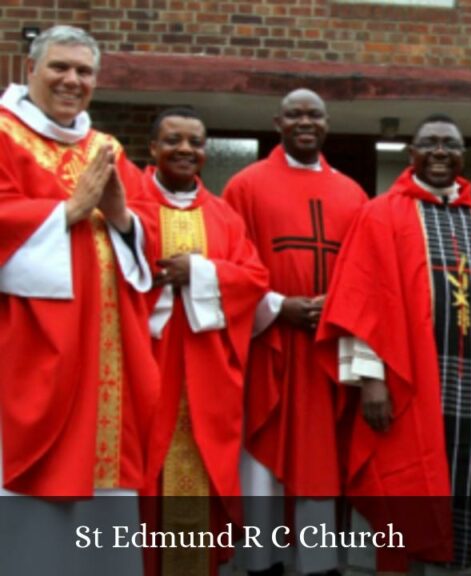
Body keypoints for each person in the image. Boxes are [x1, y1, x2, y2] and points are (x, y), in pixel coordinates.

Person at [317, 113, 471, 575]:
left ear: (463, 157)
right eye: (430, 143)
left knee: (464, 485)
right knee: (404, 482)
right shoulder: (382, 214)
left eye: (450, 144)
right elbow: (362, 299)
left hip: (468, 388)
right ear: (412, 154)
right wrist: (371, 381)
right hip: (408, 383)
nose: (440, 152)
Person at [0, 24, 160, 575]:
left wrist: (119, 217)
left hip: (107, 359)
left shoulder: (107, 148)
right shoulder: (2, 135)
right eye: (59, 67)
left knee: (106, 496)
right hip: (29, 354)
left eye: (84, 71)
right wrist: (66, 212)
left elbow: (149, 240)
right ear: (30, 71)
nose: (72, 80)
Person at [222, 88, 368, 576]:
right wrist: (277, 306)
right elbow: (229, 263)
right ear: (277, 123)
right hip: (270, 346)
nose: (305, 122)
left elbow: (368, 273)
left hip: (327, 351)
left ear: (327, 124)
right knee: (263, 463)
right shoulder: (245, 186)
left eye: (314, 115)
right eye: (294, 115)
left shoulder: (352, 193)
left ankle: (319, 564)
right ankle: (263, 563)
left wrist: (337, 309)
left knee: (321, 458)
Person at [133, 107, 269, 576]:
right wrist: (157, 279)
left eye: (196, 142)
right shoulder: (129, 207)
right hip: (147, 367)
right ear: (153, 148)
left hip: (208, 374)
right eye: (173, 140)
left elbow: (253, 279)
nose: (186, 150)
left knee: (205, 477)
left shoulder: (224, 216)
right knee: (144, 479)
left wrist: (199, 271)